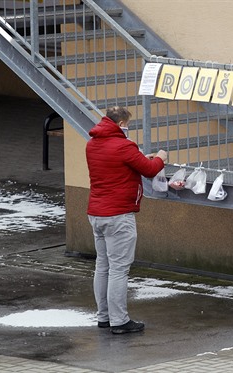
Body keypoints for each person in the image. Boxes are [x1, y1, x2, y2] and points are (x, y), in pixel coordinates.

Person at [86, 106, 167, 334]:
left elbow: (124, 164)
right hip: (118, 216)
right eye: (127, 125)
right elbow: (150, 170)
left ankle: (104, 317)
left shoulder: (92, 144)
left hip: (97, 213)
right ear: (121, 124)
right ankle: (119, 321)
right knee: (119, 270)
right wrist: (160, 158)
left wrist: (141, 157)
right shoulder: (123, 146)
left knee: (102, 266)